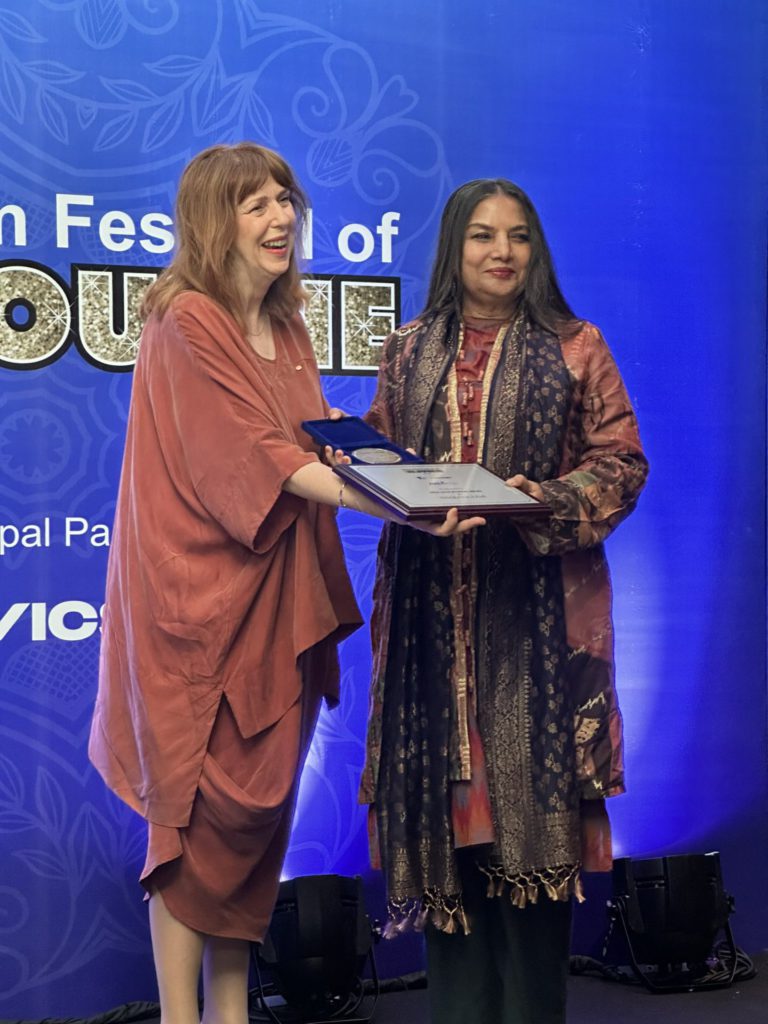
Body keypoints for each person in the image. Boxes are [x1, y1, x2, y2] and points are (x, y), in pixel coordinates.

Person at [88, 142, 480, 1024]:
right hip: (198, 617)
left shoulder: (293, 325)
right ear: (209, 221)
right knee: (190, 834)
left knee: (254, 837)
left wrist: (394, 469)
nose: (279, 219)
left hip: (279, 608)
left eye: (284, 201)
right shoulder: (182, 320)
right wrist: (395, 503)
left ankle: (231, 1017)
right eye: (255, 204)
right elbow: (252, 459)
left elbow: (304, 437)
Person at [358, 178, 649, 1024]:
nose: (502, 253)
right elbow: (382, 457)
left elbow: (622, 464)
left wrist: (544, 497)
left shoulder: (574, 345)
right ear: (455, 247)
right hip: (429, 634)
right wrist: (372, 470)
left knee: (530, 867)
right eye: (483, 236)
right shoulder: (409, 350)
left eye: (518, 236)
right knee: (453, 855)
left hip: (538, 638)